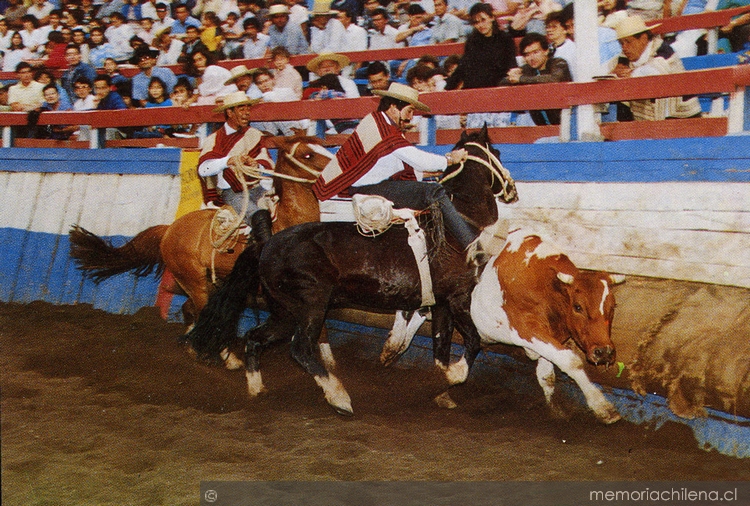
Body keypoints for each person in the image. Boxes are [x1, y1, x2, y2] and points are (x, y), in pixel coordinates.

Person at [312, 82, 478, 251]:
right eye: (409, 111)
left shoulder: (377, 123)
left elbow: (387, 164)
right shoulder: (386, 131)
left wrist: (430, 171)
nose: (410, 117)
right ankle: (472, 246)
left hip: (364, 185)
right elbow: (418, 160)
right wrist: (450, 159)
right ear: (393, 107)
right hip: (367, 188)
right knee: (434, 192)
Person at [197, 90, 275, 243]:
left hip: (258, 187)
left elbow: (267, 162)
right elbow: (203, 169)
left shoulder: (254, 134)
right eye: (241, 109)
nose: (247, 113)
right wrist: (227, 161)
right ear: (230, 112)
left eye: (248, 109)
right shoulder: (214, 139)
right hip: (232, 192)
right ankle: (264, 255)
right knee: (260, 217)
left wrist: (257, 164)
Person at [612, 15, 702, 121]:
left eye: (628, 42)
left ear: (643, 38)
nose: (624, 47)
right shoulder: (625, 56)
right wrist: (615, 72)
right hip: (650, 123)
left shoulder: (663, 50)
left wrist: (631, 74)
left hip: (684, 118)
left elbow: (655, 71)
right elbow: (614, 70)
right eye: (621, 43)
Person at [445, 2, 516, 128]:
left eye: (483, 20)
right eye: (476, 22)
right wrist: (446, 90)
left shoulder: (505, 39)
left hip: (498, 96)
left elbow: (511, 66)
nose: (480, 25)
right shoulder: (472, 42)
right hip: (475, 97)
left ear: (492, 17)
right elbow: (463, 67)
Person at [501, 32, 572, 125]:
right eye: (527, 55)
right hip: (542, 127)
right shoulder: (527, 69)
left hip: (568, 123)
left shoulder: (558, 62)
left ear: (546, 51)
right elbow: (502, 83)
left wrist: (521, 79)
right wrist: (511, 76)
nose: (532, 58)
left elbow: (554, 79)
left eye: (536, 52)